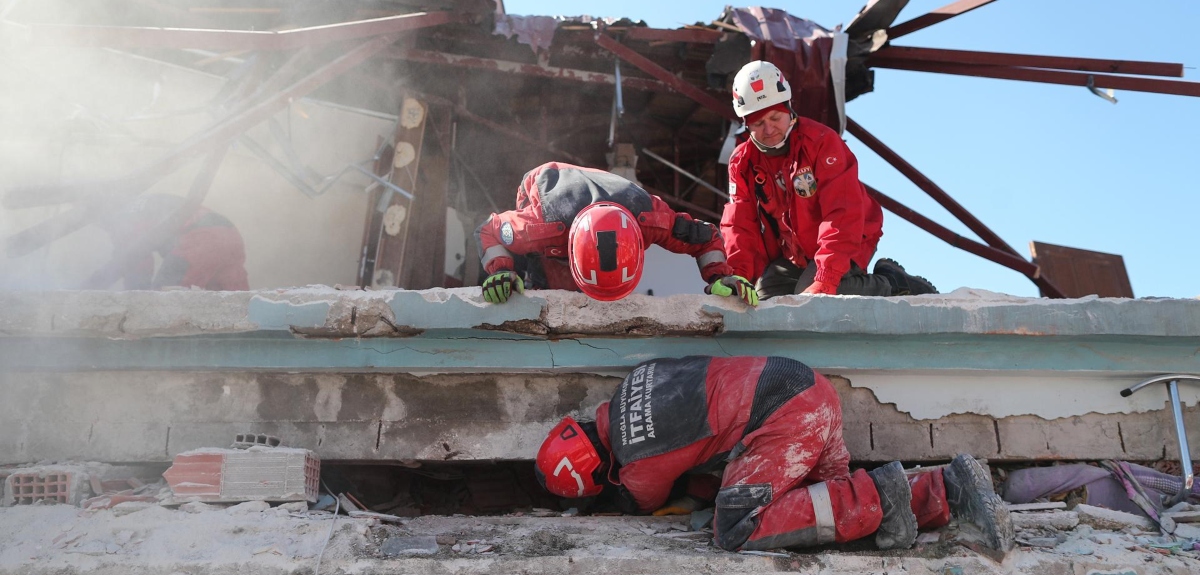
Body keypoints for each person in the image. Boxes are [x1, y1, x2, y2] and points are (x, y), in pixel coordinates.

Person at [534, 355, 1014, 553]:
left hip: (783, 418)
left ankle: (887, 493)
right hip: (805, 388)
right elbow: (699, 440)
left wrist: (616, 497)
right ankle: (949, 489)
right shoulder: (636, 380)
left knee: (736, 527)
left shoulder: (636, 464)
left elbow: (643, 500)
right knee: (835, 503)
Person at [722, 60, 937, 300]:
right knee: (762, 300)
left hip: (851, 234)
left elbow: (842, 212)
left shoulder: (821, 142)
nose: (769, 129)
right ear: (746, 124)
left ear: (788, 108)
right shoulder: (742, 162)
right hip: (797, 254)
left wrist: (826, 276)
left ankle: (893, 283)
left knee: (815, 300)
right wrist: (737, 276)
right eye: (758, 123)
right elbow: (739, 225)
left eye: (775, 117)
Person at [475, 162, 757, 305]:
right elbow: (487, 230)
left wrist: (720, 276)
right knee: (541, 291)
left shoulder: (652, 219)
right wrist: (501, 271)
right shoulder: (538, 227)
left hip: (613, 196)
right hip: (545, 188)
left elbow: (706, 237)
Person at [100, 194, 249, 290]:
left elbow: (137, 262)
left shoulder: (120, 218)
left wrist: (134, 303)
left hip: (199, 238)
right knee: (239, 304)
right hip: (230, 236)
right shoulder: (140, 203)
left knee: (164, 301)